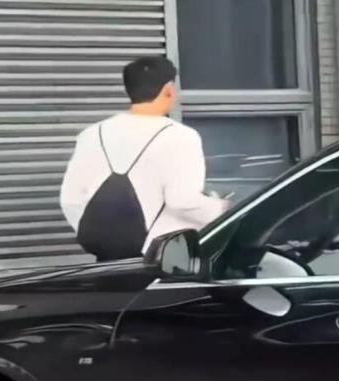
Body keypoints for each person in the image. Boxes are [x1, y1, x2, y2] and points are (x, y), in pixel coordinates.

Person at [60, 57, 228, 262]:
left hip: (106, 259)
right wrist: (220, 209)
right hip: (160, 259)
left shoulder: (92, 134)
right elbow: (182, 201)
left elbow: (70, 199)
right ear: (169, 90)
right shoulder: (181, 136)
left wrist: (105, 234)